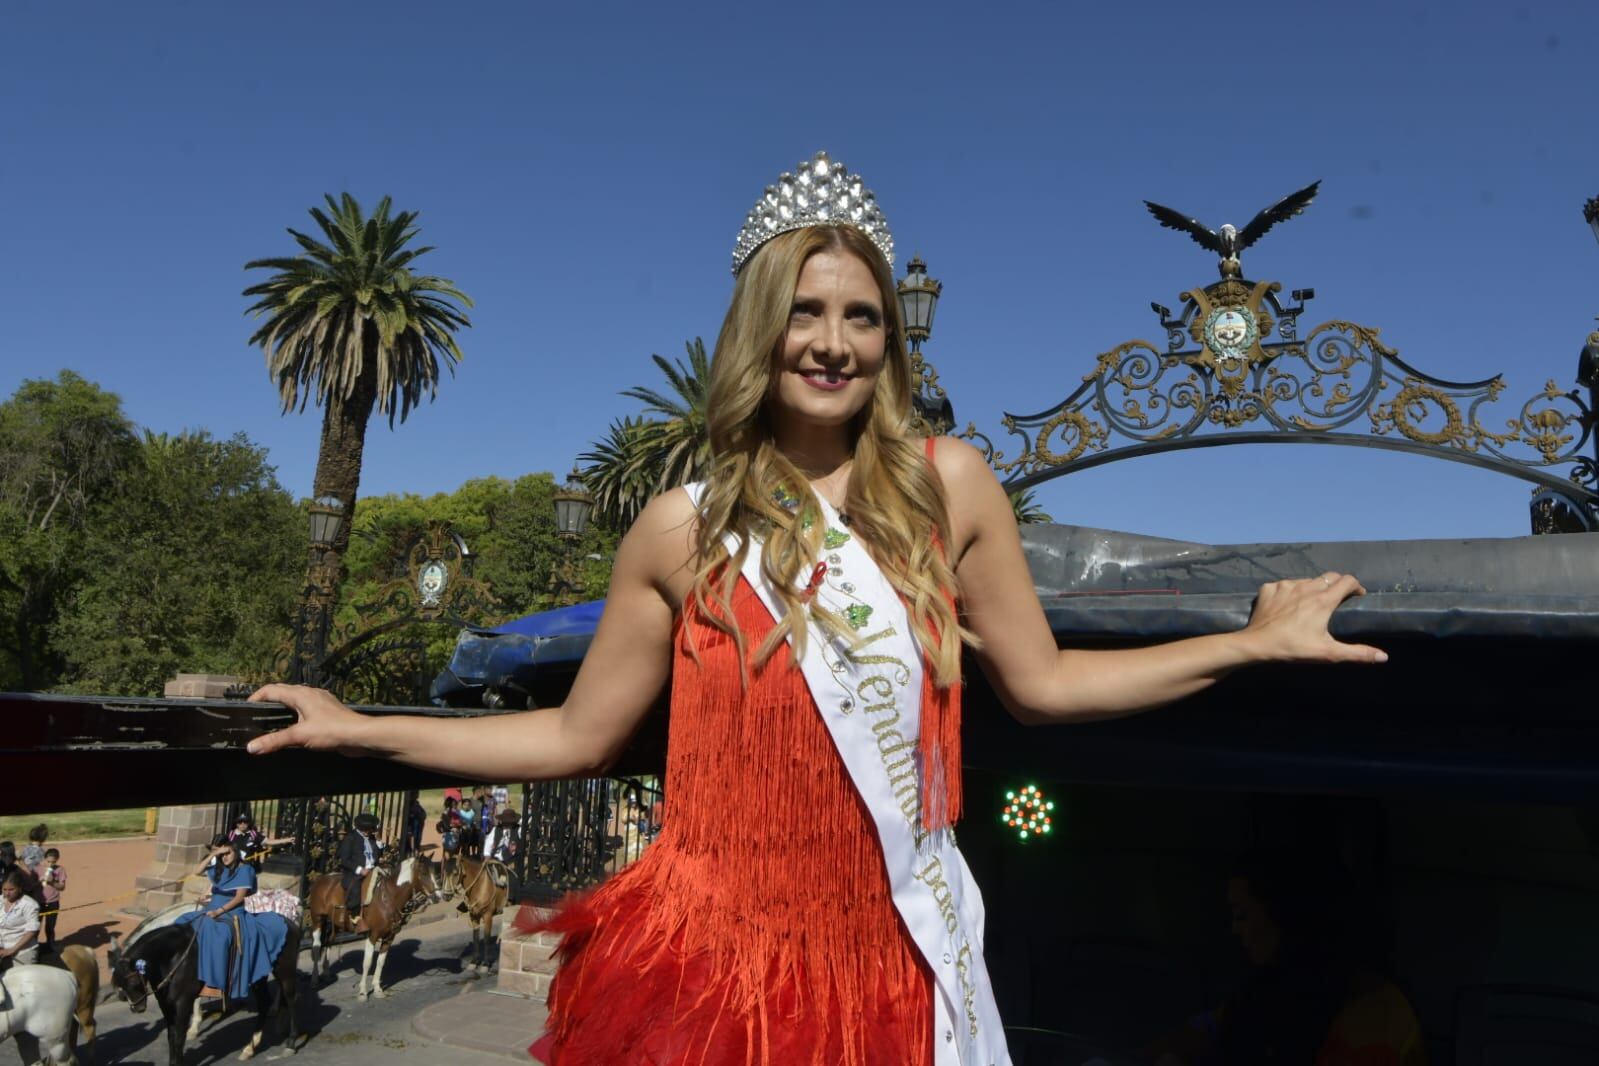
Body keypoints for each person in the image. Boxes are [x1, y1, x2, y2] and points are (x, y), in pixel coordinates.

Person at [249, 150, 1385, 1066]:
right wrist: (360, 726)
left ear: (891, 336)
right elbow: (574, 735)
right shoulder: (678, 529)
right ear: (760, 329)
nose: (834, 343)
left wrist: (1247, 641)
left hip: (889, 960)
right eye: (806, 311)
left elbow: (1046, 686)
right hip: (710, 970)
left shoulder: (951, 487)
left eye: (863, 316)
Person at [1144, 851, 1426, 1065]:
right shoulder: (1265, 991)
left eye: (1242, 914)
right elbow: (1207, 1029)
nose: (1234, 928)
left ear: (1283, 916)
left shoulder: (1375, 1011)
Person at [174, 838, 289, 1001]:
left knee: (219, 935)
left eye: (227, 853)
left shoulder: (245, 870)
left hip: (232, 913)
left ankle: (213, 982)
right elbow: (197, 871)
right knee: (182, 921)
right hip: (211, 908)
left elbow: (238, 898)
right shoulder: (219, 868)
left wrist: (218, 911)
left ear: (236, 852)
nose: (225, 857)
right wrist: (214, 854)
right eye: (222, 855)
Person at [336, 813, 383, 932]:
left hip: (374, 870)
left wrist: (378, 840)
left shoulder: (371, 838)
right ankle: (355, 916)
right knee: (356, 890)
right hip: (355, 872)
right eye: (368, 829)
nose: (369, 832)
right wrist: (360, 870)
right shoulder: (350, 838)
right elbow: (344, 860)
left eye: (371, 829)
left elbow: (379, 854)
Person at [0, 869, 41, 972]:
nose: (7, 893)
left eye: (11, 890)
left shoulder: (30, 904)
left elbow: (31, 931)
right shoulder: (0, 900)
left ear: (20, 888)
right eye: (4, 889)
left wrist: (11, 950)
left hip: (22, 951)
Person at [33, 847, 64, 954]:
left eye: (53, 862)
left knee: (50, 927)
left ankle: (50, 945)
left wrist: (53, 882)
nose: (50, 864)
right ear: (44, 858)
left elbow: (62, 887)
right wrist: (39, 881)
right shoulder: (37, 869)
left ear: (57, 859)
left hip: (53, 902)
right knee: (35, 926)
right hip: (39, 902)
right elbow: (30, 886)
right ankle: (34, 946)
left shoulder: (60, 870)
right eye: (48, 861)